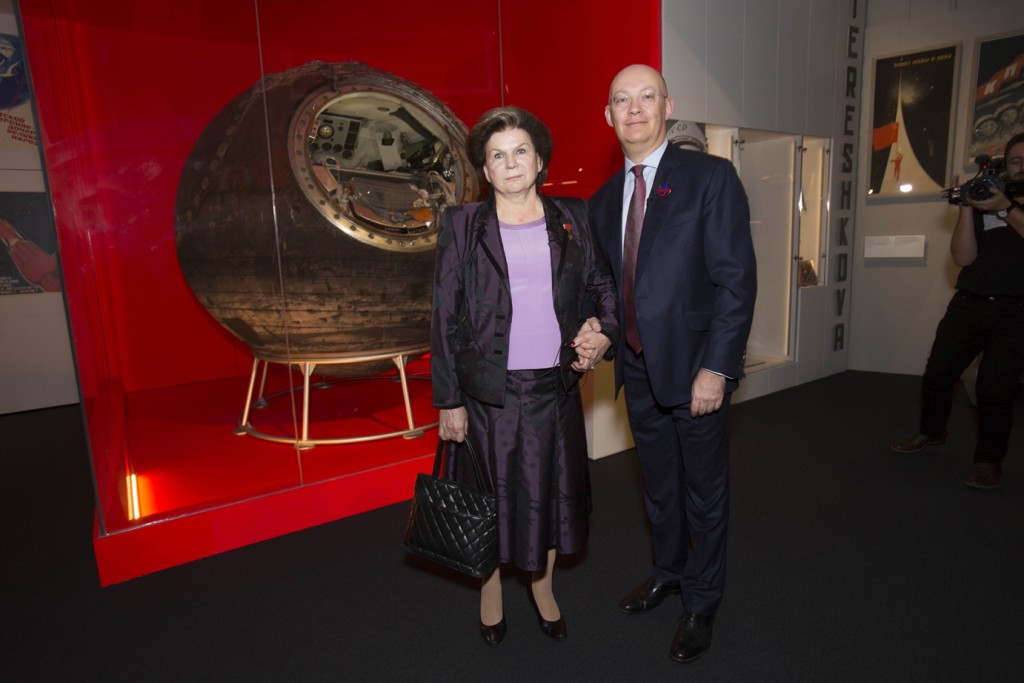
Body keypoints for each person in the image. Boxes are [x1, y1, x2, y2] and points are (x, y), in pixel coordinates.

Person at [584, 64, 757, 664]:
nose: (634, 108)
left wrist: (718, 368)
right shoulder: (604, 200)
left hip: (695, 374)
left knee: (704, 494)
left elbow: (736, 283)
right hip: (637, 373)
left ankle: (703, 601)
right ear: (608, 116)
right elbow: (609, 285)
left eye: (646, 97)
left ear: (666, 106)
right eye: (621, 99)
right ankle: (669, 572)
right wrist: (599, 331)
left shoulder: (710, 178)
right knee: (659, 490)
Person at [430, 106, 618, 647]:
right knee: (493, 500)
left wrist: (602, 330)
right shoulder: (462, 225)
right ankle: (491, 591)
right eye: (497, 156)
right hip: (487, 394)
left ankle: (543, 587)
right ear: (485, 171)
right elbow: (443, 316)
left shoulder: (574, 216)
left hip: (553, 390)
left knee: (552, 497)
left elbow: (603, 288)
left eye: (520, 152)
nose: (510, 164)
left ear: (539, 161)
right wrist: (449, 401)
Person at [891, 133, 1024, 489]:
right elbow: (963, 257)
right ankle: (931, 432)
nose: (1021, 167)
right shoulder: (986, 204)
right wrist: (968, 206)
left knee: (993, 391)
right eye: (1015, 161)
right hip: (968, 303)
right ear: (1004, 166)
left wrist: (1005, 209)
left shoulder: (1005, 207)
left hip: (1016, 313)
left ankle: (987, 461)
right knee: (936, 375)